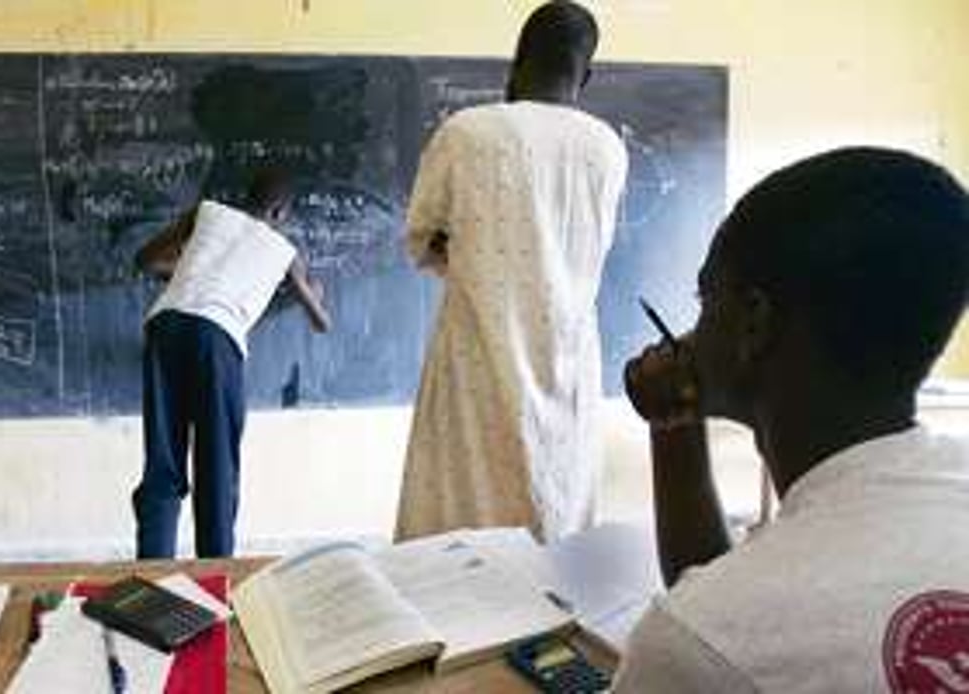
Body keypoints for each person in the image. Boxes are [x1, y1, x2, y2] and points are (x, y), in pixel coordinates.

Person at [614, 147, 969, 692]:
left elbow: (716, 640)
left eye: (704, 300)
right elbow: (721, 598)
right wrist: (674, 425)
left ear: (753, 324)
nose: (689, 335)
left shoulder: (690, 642)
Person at [397, 1, 628, 541]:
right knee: (555, 509)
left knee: (459, 518)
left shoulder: (466, 133)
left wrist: (476, 256)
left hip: (475, 354)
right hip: (566, 359)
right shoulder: (607, 148)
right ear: (587, 75)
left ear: (516, 60)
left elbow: (423, 237)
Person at [132, 170, 331, 559]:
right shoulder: (284, 252)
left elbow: (146, 260)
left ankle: (152, 573)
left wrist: (194, 272)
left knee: (163, 461)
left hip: (165, 325)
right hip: (216, 339)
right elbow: (322, 323)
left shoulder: (206, 212)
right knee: (216, 465)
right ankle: (215, 571)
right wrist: (312, 293)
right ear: (279, 211)